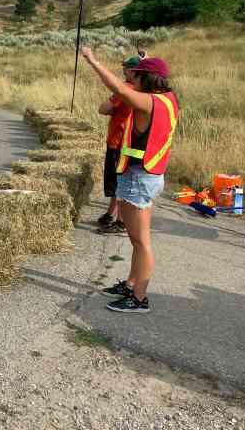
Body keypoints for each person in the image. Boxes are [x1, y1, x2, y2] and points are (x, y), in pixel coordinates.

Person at [82, 47, 179, 314]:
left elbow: (122, 92)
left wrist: (93, 62)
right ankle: (131, 284)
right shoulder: (167, 98)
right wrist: (145, 58)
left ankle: (139, 298)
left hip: (140, 177)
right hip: (142, 175)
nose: (131, 80)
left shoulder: (149, 102)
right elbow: (142, 78)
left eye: (136, 77)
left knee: (141, 241)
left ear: (147, 81)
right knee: (137, 240)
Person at [96, 56, 141, 234]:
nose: (123, 71)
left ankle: (121, 222)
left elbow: (103, 108)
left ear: (133, 71)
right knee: (119, 180)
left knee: (119, 181)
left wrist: (113, 108)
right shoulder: (141, 89)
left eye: (126, 69)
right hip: (126, 141)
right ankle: (111, 214)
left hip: (119, 141)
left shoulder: (126, 89)